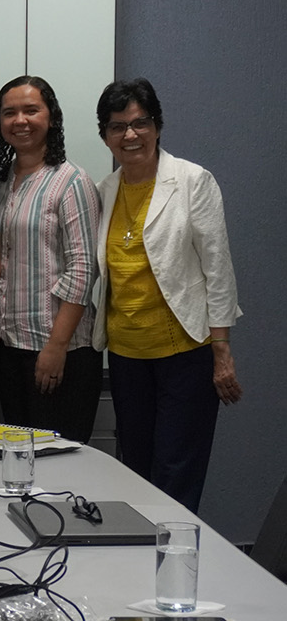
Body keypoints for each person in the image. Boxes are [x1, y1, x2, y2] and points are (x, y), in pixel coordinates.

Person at [93, 77, 242, 512]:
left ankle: (176, 567)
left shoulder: (193, 181)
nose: (131, 135)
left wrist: (222, 351)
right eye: (118, 126)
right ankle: (138, 570)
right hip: (126, 354)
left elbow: (218, 271)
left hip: (186, 354)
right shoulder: (105, 189)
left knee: (176, 472)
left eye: (140, 123)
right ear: (105, 135)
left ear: (157, 126)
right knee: (136, 469)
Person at [0, 76, 104, 442]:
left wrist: (56, 347)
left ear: (51, 118)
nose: (20, 120)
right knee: (19, 466)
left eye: (31, 110)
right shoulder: (0, 182)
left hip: (58, 350)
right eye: (10, 113)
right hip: (9, 347)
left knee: (60, 467)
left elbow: (84, 269)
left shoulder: (71, 181)